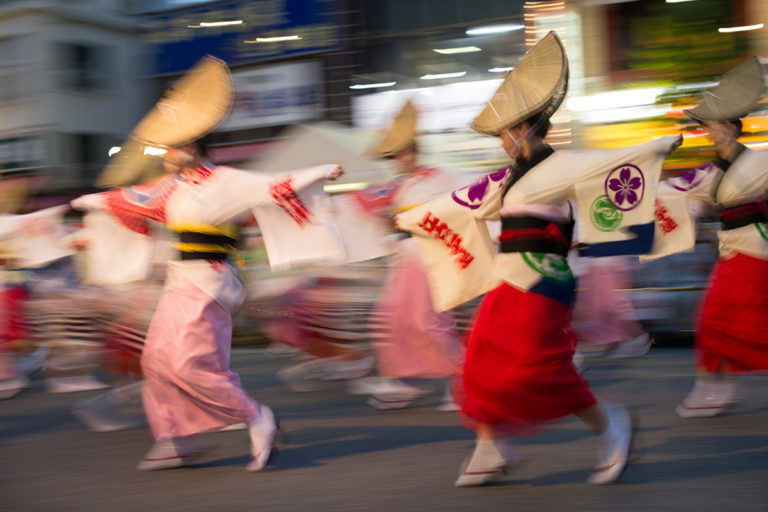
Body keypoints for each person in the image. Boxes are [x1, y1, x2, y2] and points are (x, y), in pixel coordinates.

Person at [396, 32, 680, 487]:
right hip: (507, 285)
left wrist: (657, 148)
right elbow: (461, 203)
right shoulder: (508, 179)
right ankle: (490, 449)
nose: (502, 142)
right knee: (478, 365)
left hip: (544, 287)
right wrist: (414, 219)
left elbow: (602, 164)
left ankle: (611, 427)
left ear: (523, 129)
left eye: (505, 133)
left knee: (541, 371)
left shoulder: (555, 169)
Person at [71, 56, 344, 471]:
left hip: (210, 284)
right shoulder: (171, 188)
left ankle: (256, 417)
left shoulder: (226, 181)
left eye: (169, 148)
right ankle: (178, 437)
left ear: (190, 148)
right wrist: (92, 201)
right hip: (180, 283)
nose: (162, 155)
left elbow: (270, 187)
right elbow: (134, 201)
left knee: (188, 364)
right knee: (157, 362)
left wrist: (320, 170)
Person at [665, 57, 768, 418]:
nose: (707, 132)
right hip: (733, 255)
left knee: (730, 325)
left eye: (710, 126)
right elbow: (683, 198)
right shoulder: (711, 172)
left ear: (728, 126)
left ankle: (711, 389)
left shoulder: (760, 163)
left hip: (753, 254)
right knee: (718, 324)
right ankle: (715, 389)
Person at [355, 100, 465, 410]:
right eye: (393, 155)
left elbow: (470, 198)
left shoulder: (441, 177)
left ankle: (462, 377)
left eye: (401, 153)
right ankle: (399, 381)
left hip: (430, 258)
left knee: (427, 322)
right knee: (389, 319)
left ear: (413, 151)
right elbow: (365, 207)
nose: (397, 160)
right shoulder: (395, 186)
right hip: (406, 259)